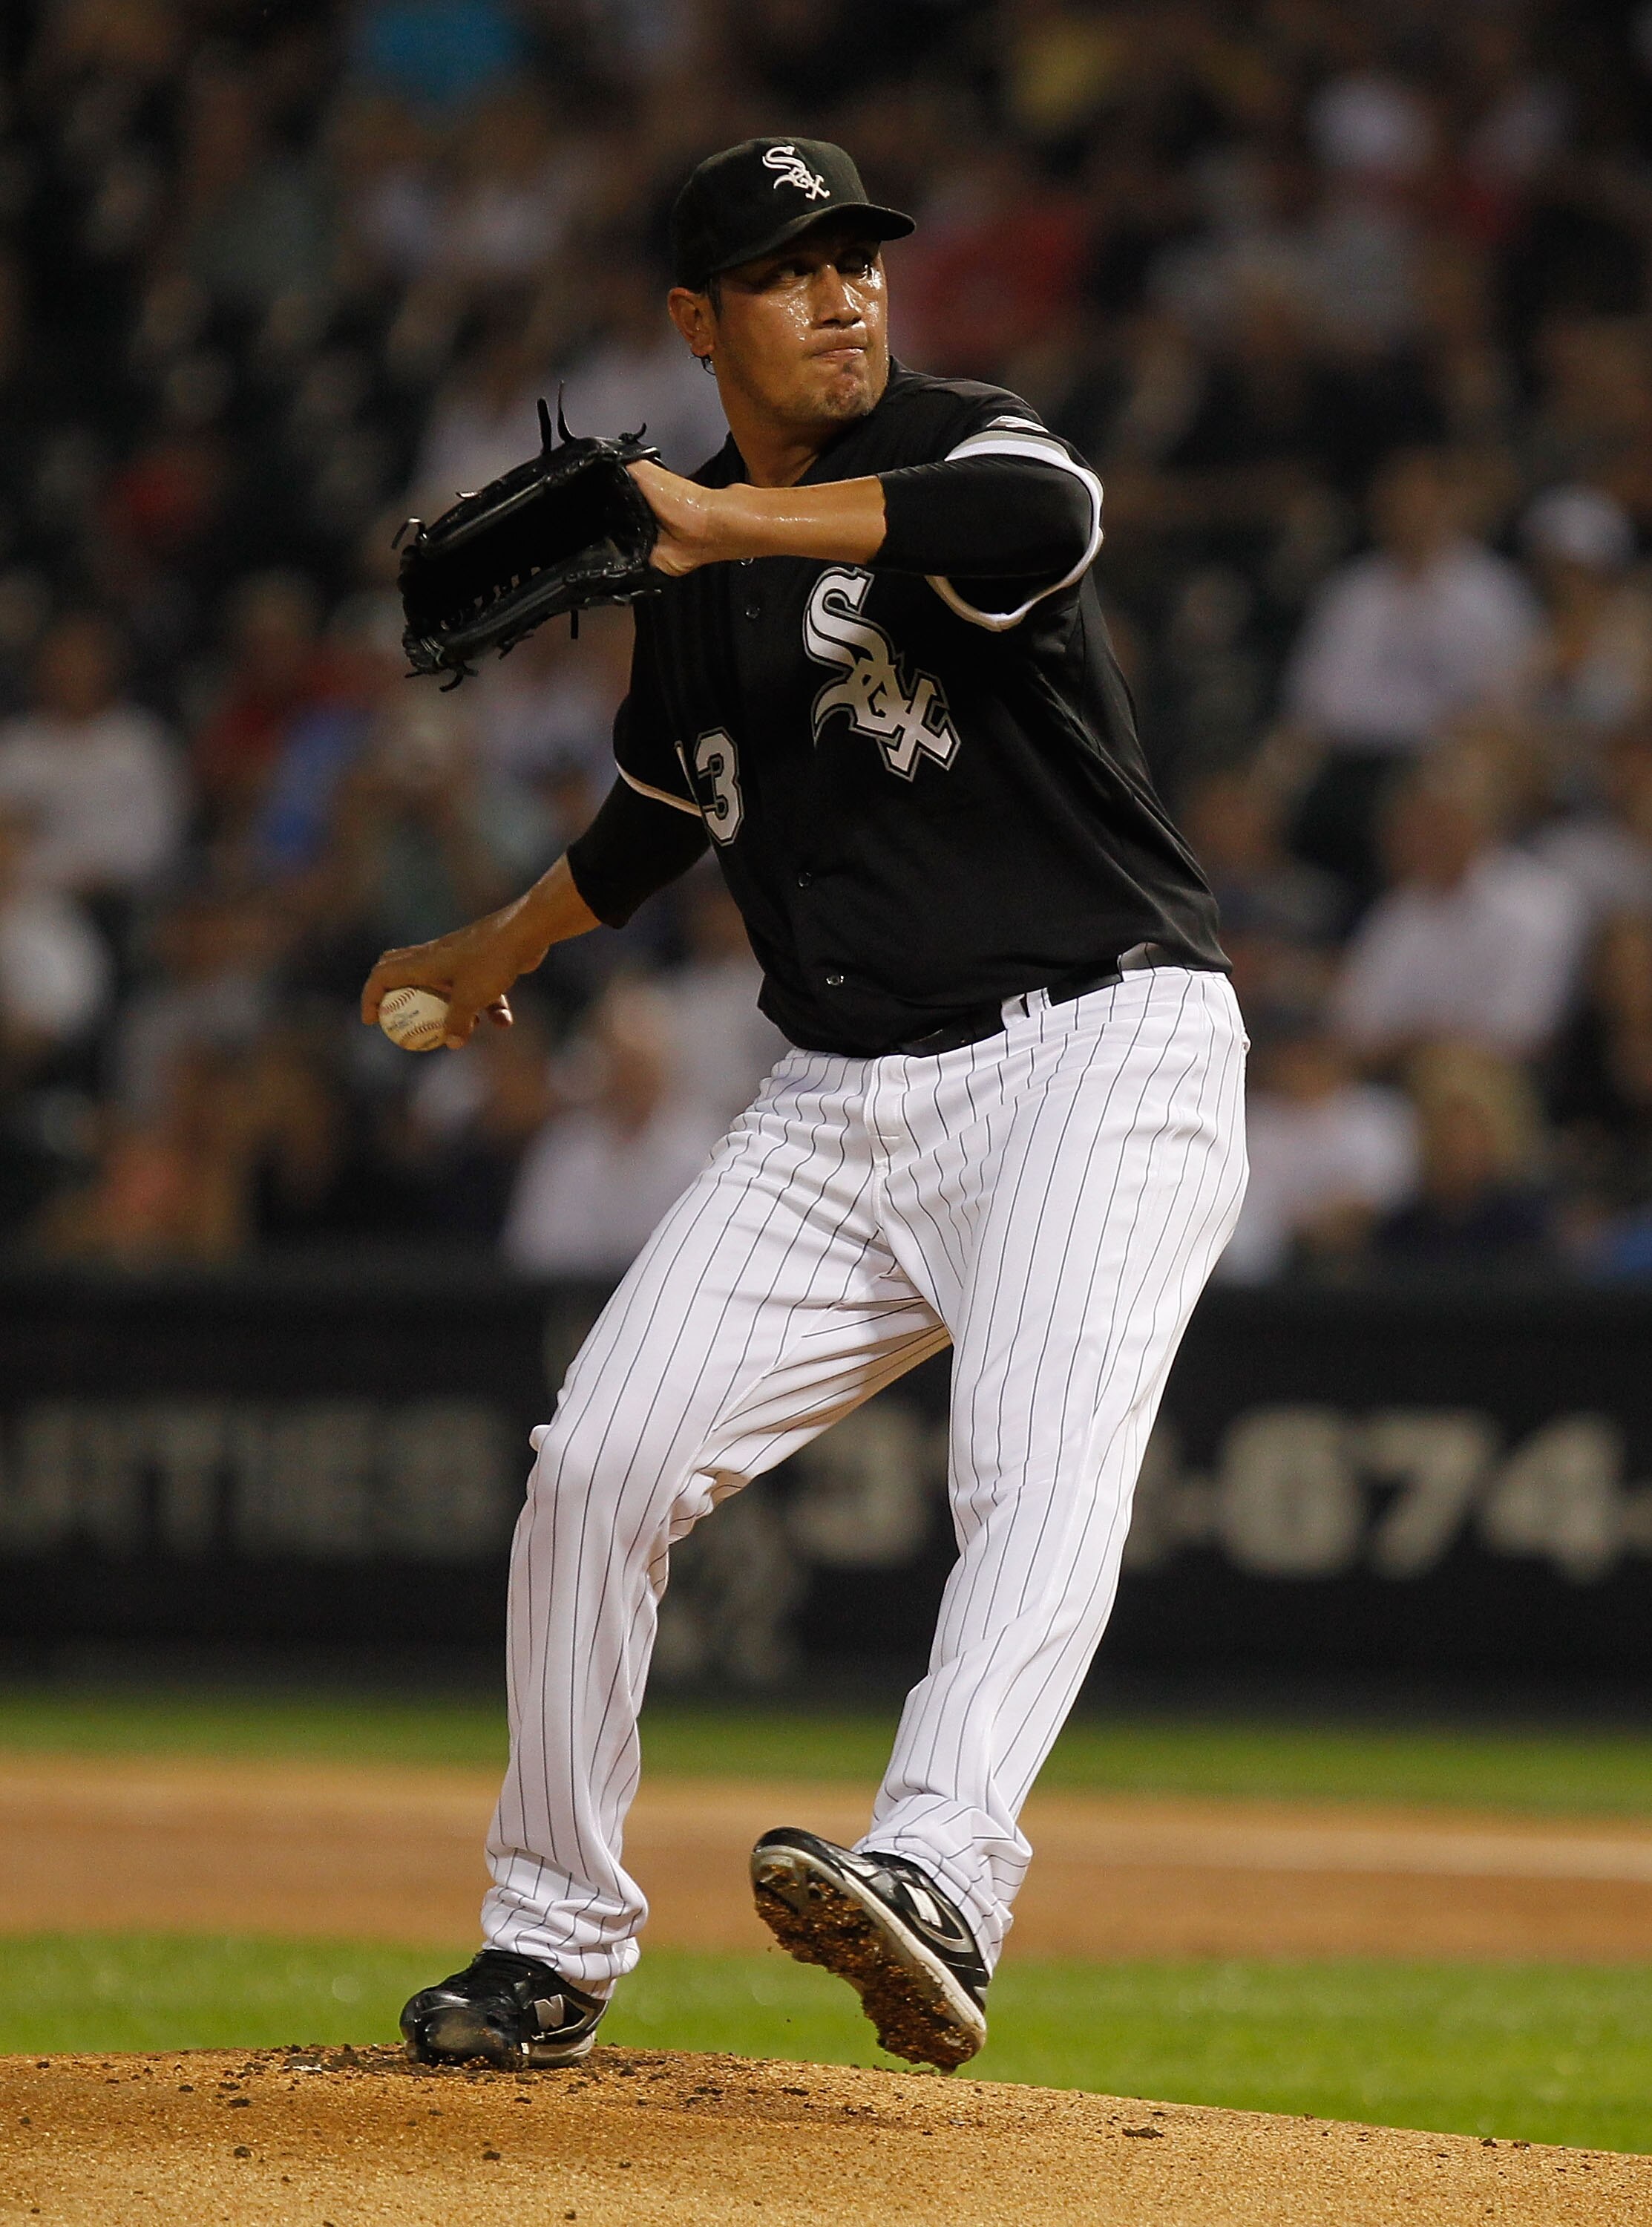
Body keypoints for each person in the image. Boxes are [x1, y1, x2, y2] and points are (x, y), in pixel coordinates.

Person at [364, 137, 1246, 2076]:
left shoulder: (954, 445)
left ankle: (942, 1871)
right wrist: (508, 936)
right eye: (787, 271)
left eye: (856, 258)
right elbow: (674, 804)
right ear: (700, 319)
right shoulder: (687, 580)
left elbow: (1037, 514)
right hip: (841, 1097)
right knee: (596, 1466)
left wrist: (717, 525)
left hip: (1098, 1047)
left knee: (1036, 1464)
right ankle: (548, 1943)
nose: (842, 294)